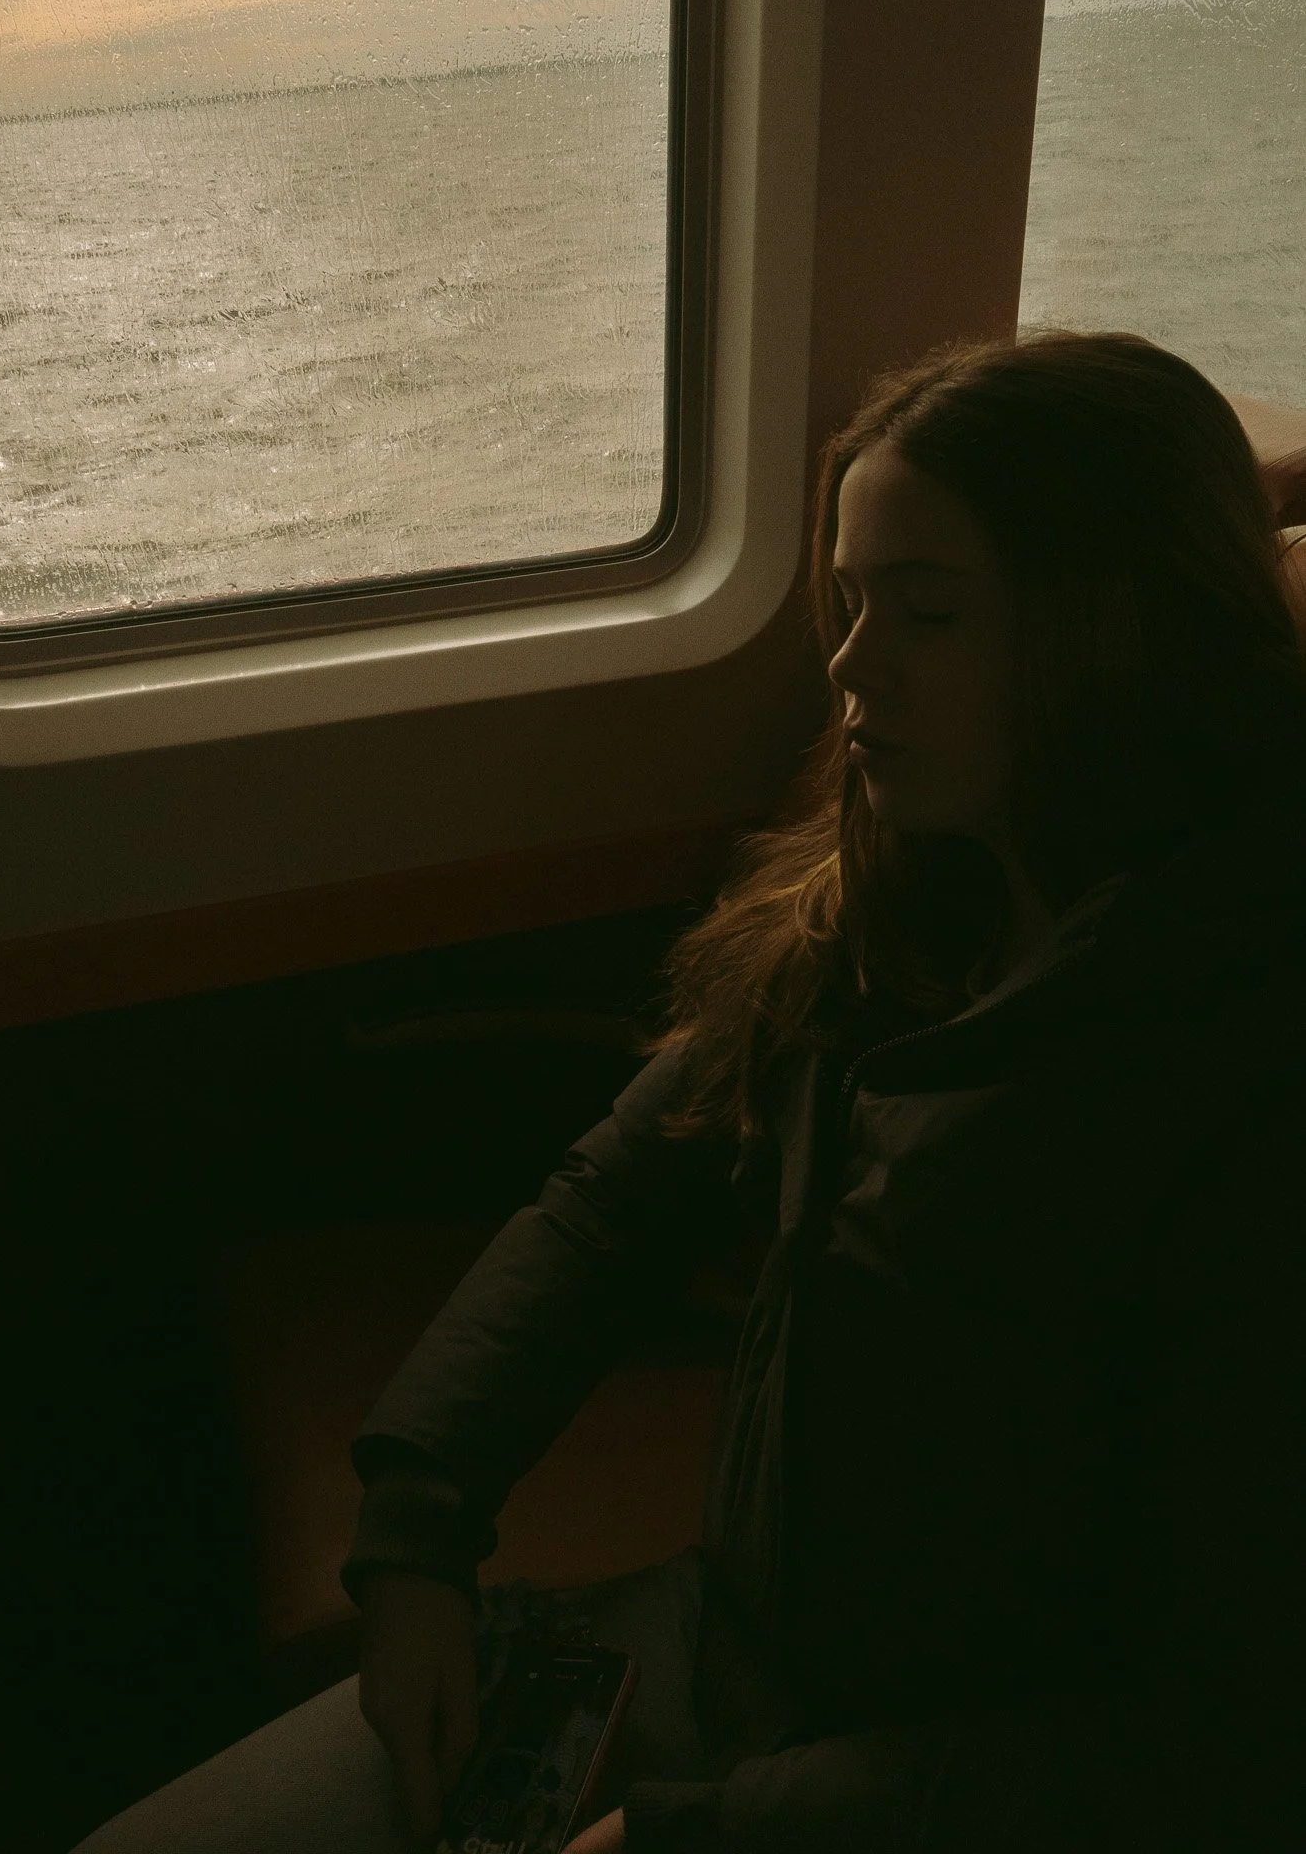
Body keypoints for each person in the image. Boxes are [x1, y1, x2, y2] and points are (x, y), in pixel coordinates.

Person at [74, 331, 1306, 1852]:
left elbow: (1217, 1743)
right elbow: (611, 1208)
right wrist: (417, 1528)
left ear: (1122, 632)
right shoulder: (896, 907)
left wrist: (707, 1833)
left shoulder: (1243, 1075)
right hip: (719, 1649)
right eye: (851, 602)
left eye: (928, 612)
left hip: (915, 1775)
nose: (852, 666)